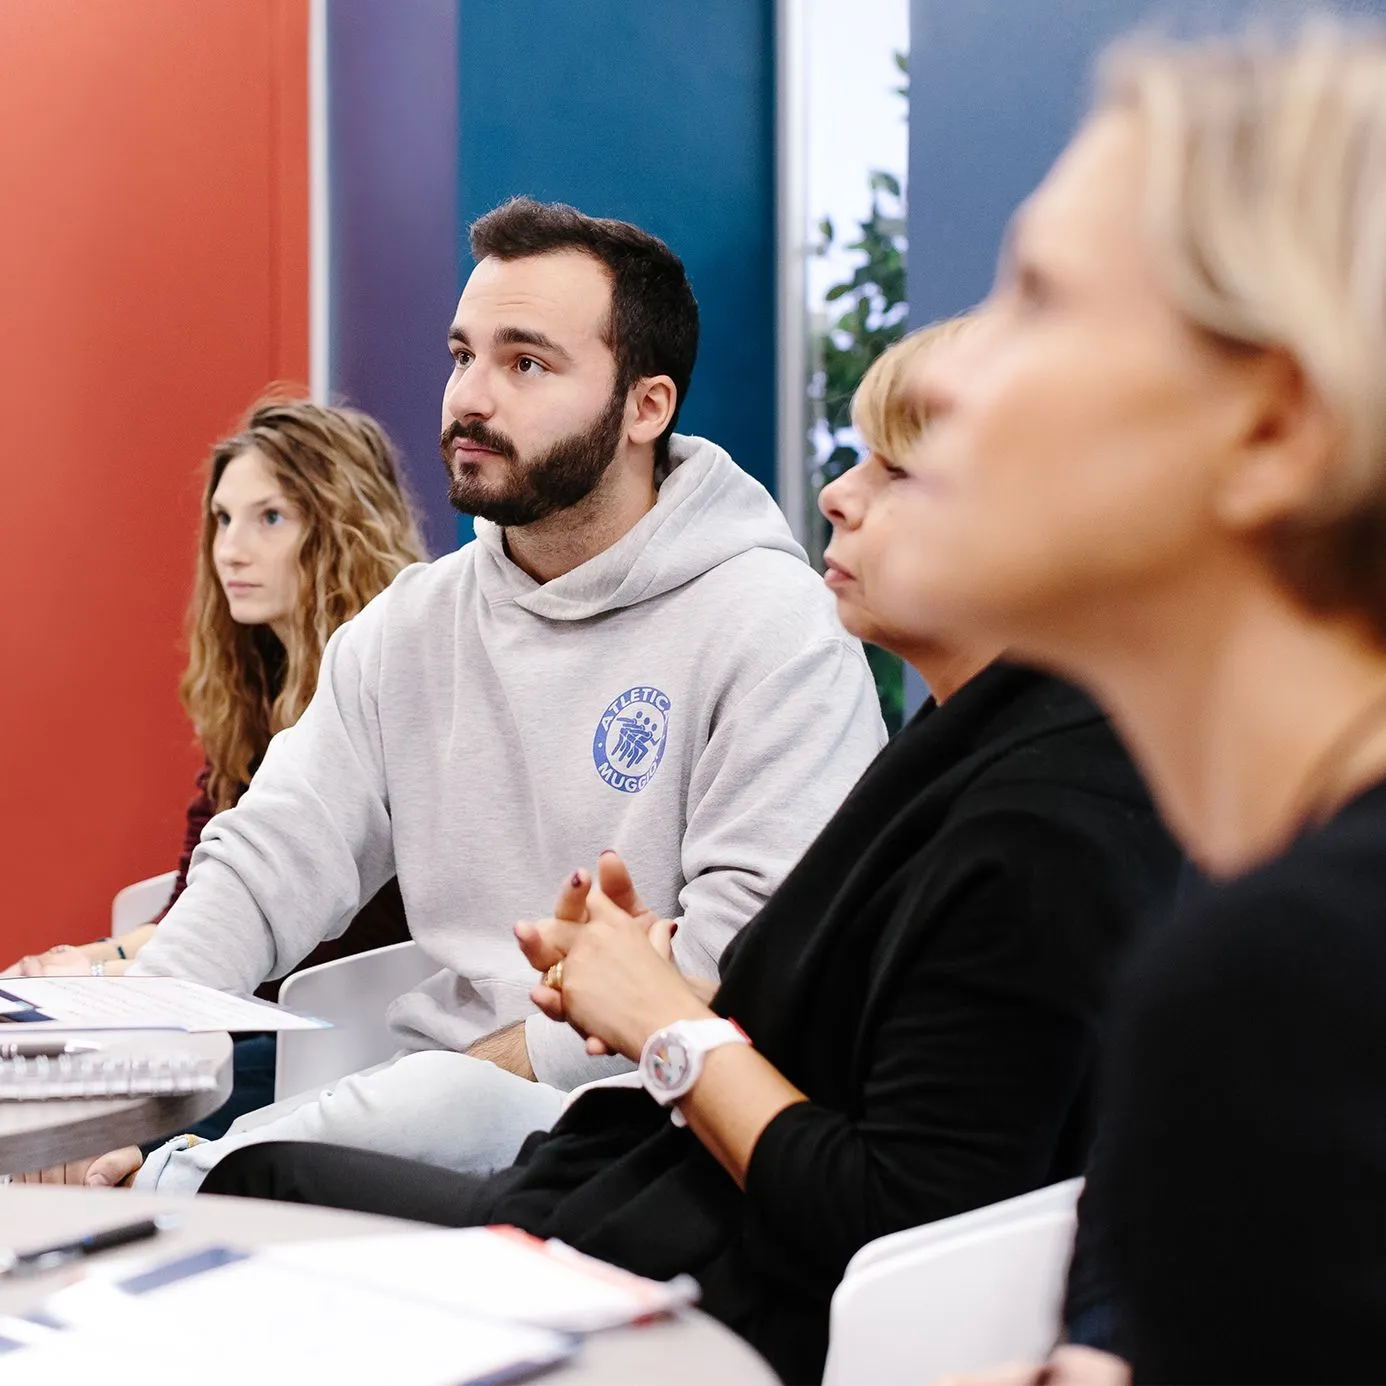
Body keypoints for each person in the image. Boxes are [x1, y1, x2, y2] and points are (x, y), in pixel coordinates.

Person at [193, 319, 1182, 1386]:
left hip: (694, 1290)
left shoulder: (1039, 822)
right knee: (258, 1173)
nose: (841, 497)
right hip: (634, 1205)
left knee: (249, 1192)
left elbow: (887, 1212)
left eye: (896, 472)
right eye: (461, 354)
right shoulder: (970, 748)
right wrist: (650, 977)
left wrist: (661, 1021)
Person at [72, 197, 885, 1190]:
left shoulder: (772, 626)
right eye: (464, 356)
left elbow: (739, 969)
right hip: (412, 1108)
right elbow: (266, 862)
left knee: (418, 1109)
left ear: (647, 406)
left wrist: (474, 1075)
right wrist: (110, 1072)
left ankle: (185, 1181)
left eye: (526, 363)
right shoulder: (414, 626)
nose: (471, 399)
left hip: (647, 1133)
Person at [868, 20, 1386, 1385]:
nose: (936, 373)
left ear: (1273, 428)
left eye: (1037, 297)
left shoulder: (1289, 983)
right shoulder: (1266, 915)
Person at [5, 398, 426, 1134]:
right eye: (223, 519)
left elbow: (325, 931)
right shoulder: (254, 687)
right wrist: (92, 961)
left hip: (335, 1032)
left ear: (342, 525)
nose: (230, 549)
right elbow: (200, 889)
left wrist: (108, 974)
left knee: (73, 1094)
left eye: (270, 518)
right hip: (231, 1003)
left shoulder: (399, 684)